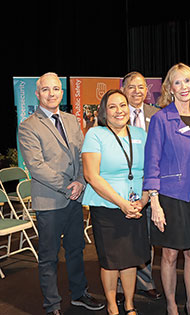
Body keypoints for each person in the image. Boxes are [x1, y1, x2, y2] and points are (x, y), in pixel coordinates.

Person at [18, 72, 105, 315]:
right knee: (49, 257)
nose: (51, 93)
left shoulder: (70, 119)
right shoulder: (28, 126)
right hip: (50, 201)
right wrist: (69, 187)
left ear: (62, 92)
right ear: (37, 94)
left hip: (75, 198)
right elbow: (36, 167)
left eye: (56, 89)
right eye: (46, 89)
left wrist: (80, 181)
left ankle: (79, 294)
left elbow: (80, 155)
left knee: (77, 249)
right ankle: (52, 305)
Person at [143, 63, 190, 315]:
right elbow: (151, 162)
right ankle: (172, 305)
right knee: (171, 255)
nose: (184, 87)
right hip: (170, 195)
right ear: (169, 88)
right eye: (177, 82)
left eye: (188, 81)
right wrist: (154, 201)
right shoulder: (161, 119)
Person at [81, 89, 150, 315]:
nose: (119, 111)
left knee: (129, 259)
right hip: (107, 205)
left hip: (136, 206)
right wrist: (122, 203)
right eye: (112, 106)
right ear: (104, 111)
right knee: (111, 260)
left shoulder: (140, 134)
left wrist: (143, 200)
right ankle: (112, 306)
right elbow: (91, 175)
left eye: (122, 105)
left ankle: (129, 304)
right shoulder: (95, 134)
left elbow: (150, 171)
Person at [119, 71, 162, 302]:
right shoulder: (114, 113)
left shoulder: (156, 115)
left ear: (147, 90)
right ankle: (119, 285)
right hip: (119, 189)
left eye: (141, 87)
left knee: (146, 237)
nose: (137, 91)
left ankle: (145, 282)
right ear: (123, 89)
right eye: (132, 87)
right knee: (121, 237)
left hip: (148, 186)